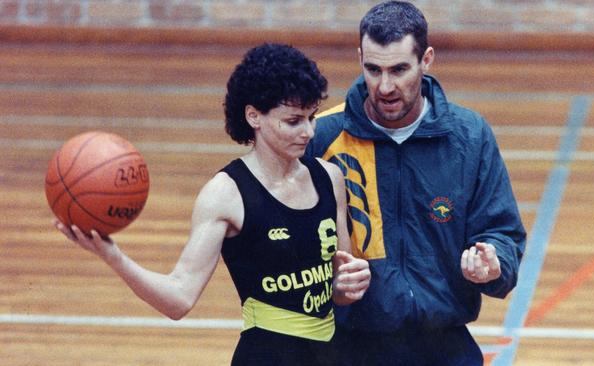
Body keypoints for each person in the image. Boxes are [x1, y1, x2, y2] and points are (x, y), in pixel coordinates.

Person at [53, 43, 371, 366]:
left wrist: (350, 283)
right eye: (293, 121)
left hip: (331, 355)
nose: (308, 132)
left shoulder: (330, 178)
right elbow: (179, 298)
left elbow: (338, 287)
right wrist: (114, 257)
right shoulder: (225, 194)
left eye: (311, 118)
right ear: (253, 116)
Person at [306, 1, 527, 365]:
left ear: (427, 60)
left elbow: (502, 232)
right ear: (360, 57)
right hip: (348, 345)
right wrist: (328, 284)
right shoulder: (323, 137)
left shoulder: (469, 136)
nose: (385, 86)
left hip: (444, 344)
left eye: (399, 69)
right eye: (373, 69)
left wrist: (494, 263)